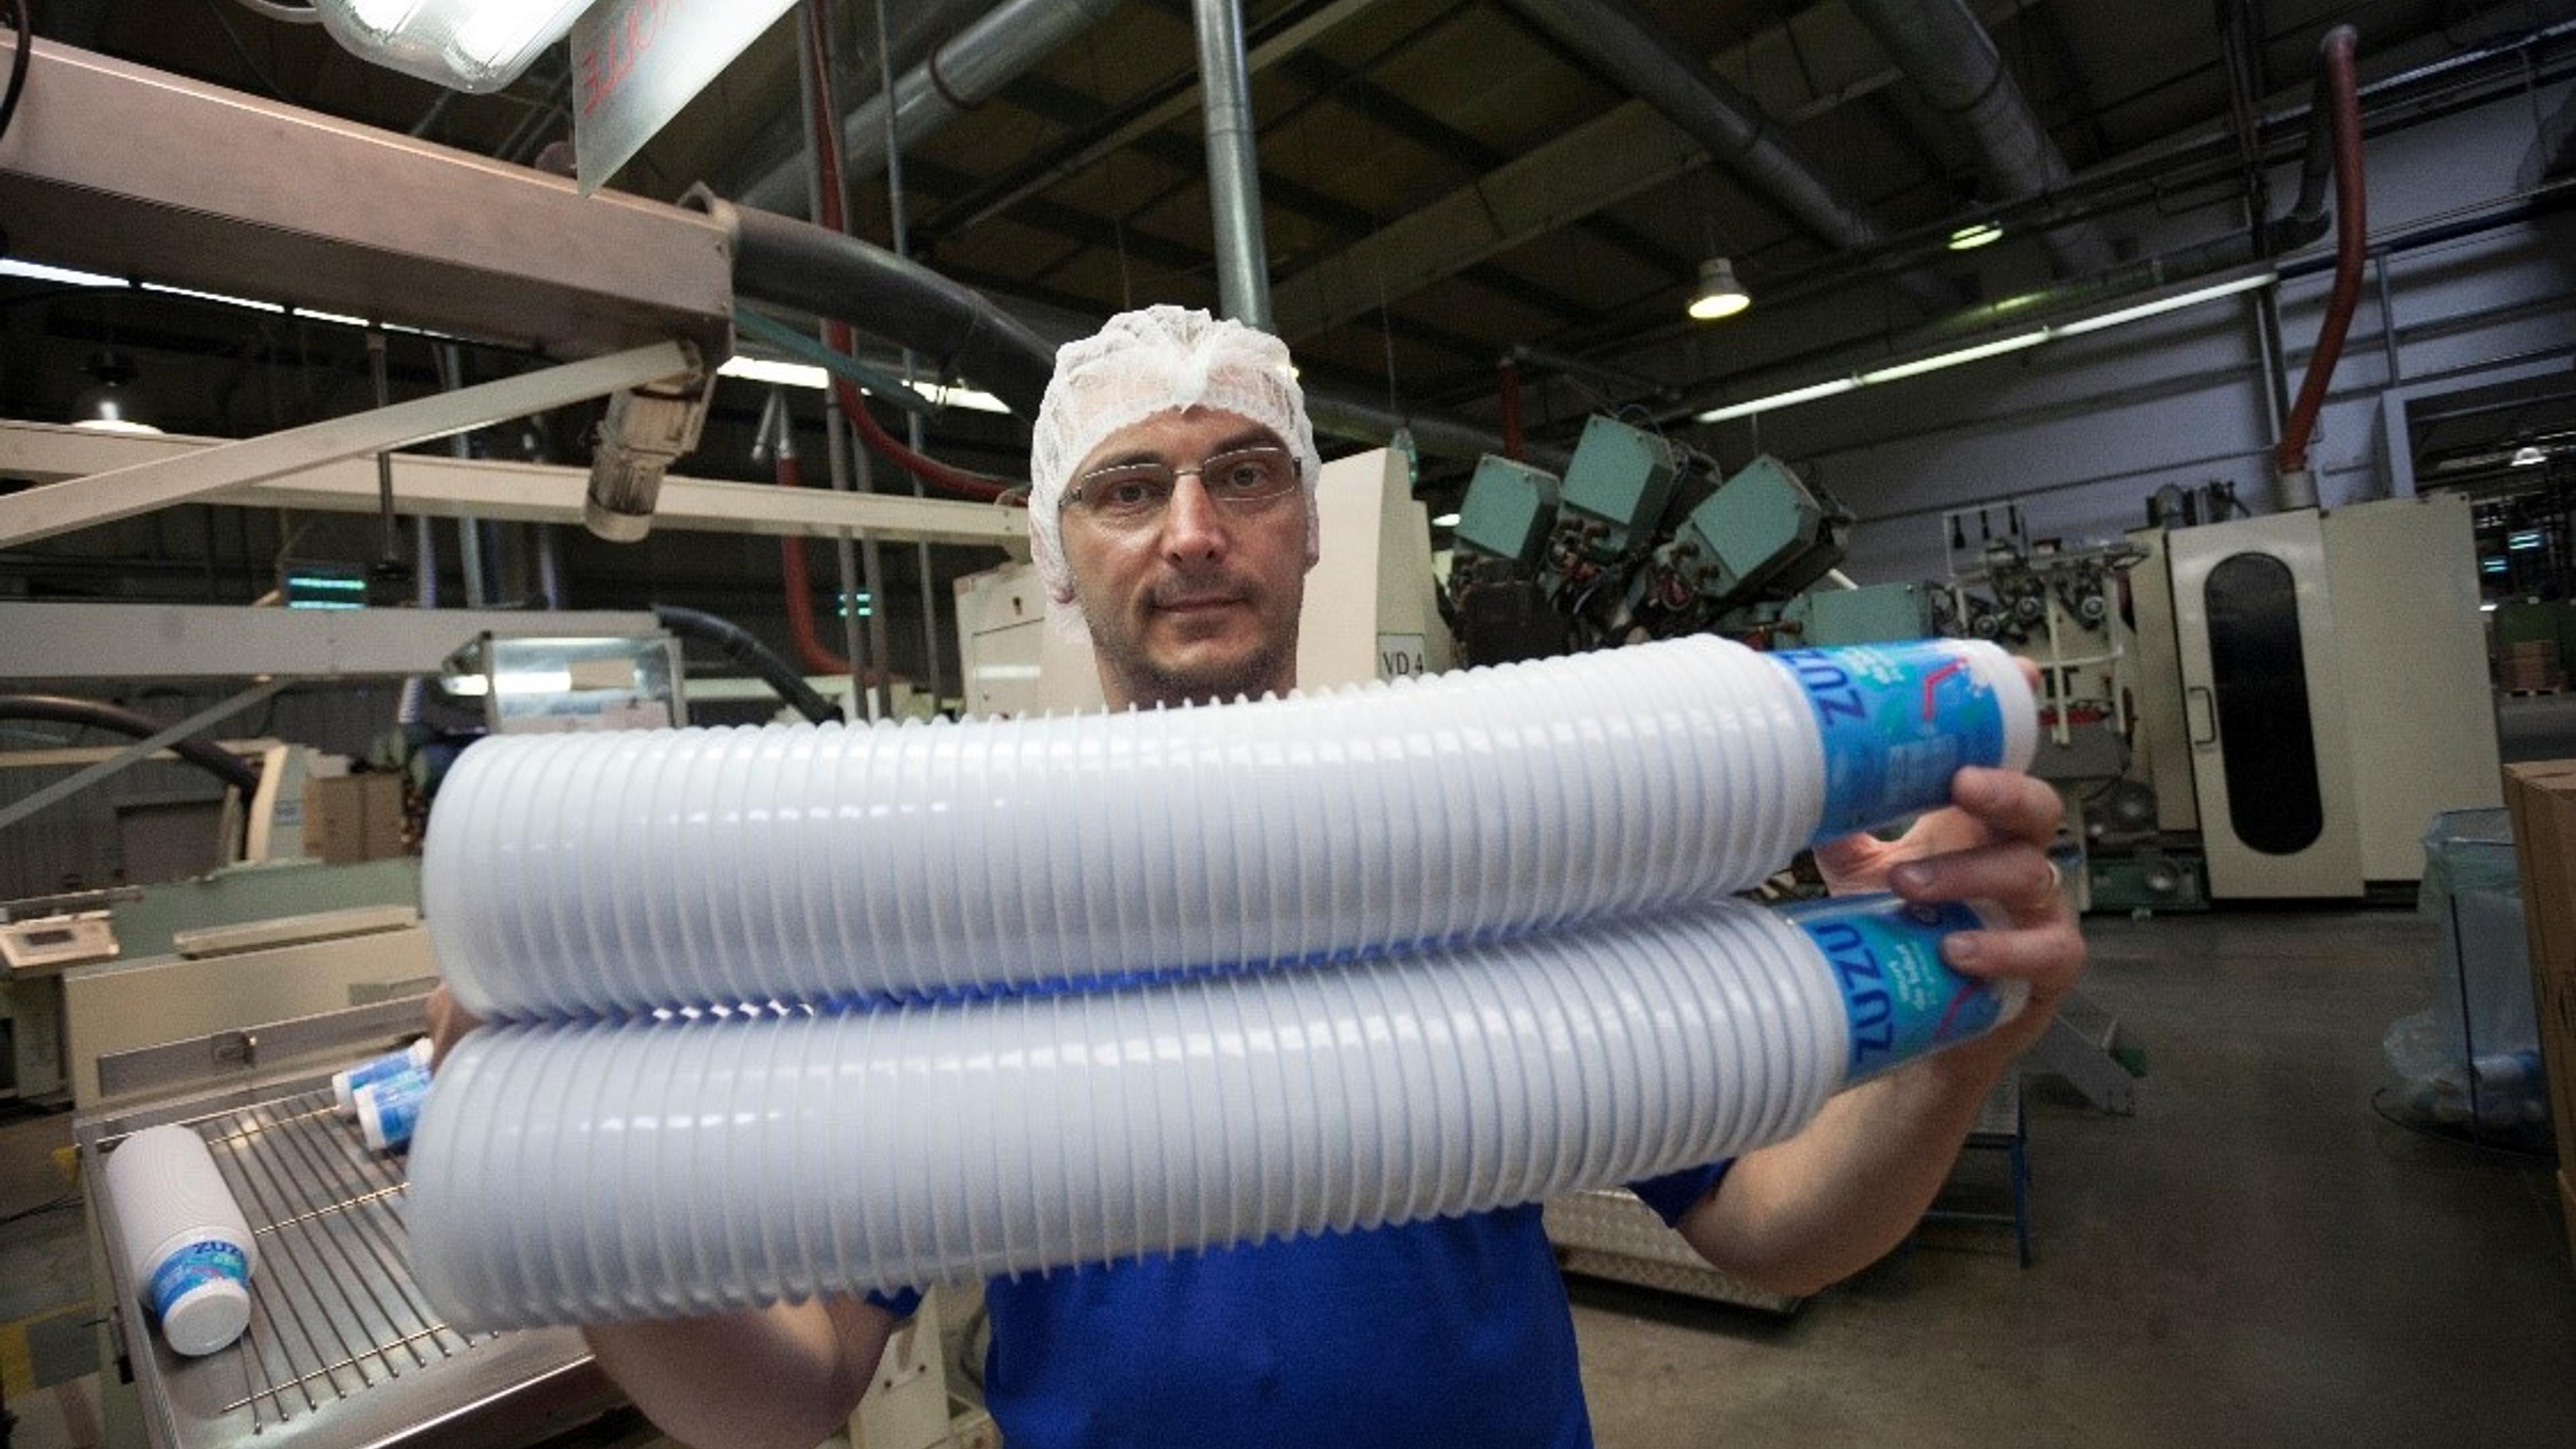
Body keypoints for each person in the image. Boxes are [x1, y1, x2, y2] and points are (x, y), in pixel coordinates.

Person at [425, 305, 2086, 1449]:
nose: (1192, 529)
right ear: (1058, 561)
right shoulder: (944, 908)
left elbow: (1769, 1229)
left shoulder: (1486, 842)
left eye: (1244, 474)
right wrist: (562, 1203)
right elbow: (791, 1395)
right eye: (1127, 489)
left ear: (1307, 527)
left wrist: (1955, 1052)